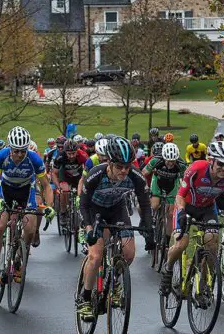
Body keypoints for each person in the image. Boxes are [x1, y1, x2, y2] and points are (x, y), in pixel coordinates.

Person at [76, 136, 154, 320]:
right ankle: (85, 297)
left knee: (128, 253)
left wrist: (148, 225)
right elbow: (84, 204)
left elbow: (145, 202)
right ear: (109, 162)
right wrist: (88, 228)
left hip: (118, 210)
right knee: (95, 256)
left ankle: (116, 282)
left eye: (127, 166)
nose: (124, 171)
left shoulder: (135, 176)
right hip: (94, 211)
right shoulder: (96, 174)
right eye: (119, 166)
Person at [159, 141, 224, 296]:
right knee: (182, 243)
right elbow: (180, 195)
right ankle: (168, 269)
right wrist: (181, 212)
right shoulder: (196, 169)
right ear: (211, 160)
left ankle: (202, 287)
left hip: (207, 209)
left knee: (212, 243)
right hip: (186, 206)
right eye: (221, 164)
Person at [0, 126, 55, 284]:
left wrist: (50, 206)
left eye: (23, 151)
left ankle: (18, 259)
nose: (19, 154)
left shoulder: (34, 158)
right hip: (5, 189)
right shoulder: (1, 156)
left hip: (26, 190)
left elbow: (46, 185)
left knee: (30, 230)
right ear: (10, 148)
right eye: (16, 151)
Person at [142, 143, 187, 242]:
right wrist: (144, 186)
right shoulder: (156, 160)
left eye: (173, 161)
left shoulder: (181, 165)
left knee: (170, 215)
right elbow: (144, 173)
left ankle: (166, 241)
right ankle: (151, 221)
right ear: (163, 157)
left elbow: (184, 181)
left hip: (172, 185)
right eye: (168, 161)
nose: (170, 163)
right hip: (157, 182)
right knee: (154, 205)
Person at [52, 140, 89, 229]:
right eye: (69, 154)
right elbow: (54, 174)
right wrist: (58, 186)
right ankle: (63, 212)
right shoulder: (60, 156)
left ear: (77, 151)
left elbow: (89, 171)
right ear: (65, 152)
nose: (72, 156)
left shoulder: (83, 155)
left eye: (73, 153)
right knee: (64, 191)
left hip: (78, 176)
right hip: (65, 176)